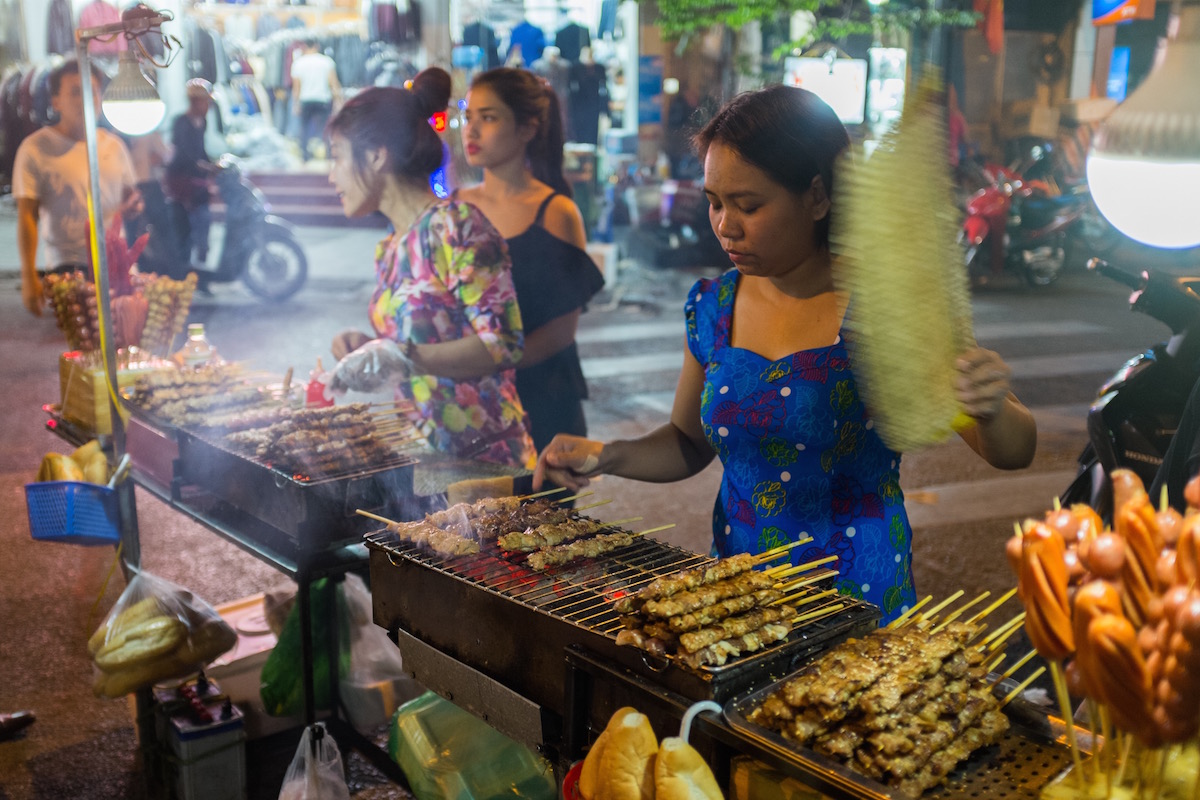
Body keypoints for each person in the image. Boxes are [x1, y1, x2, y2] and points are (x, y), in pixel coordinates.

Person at [533, 85, 1037, 624]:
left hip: (857, 604)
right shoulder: (713, 306)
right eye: (714, 203)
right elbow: (686, 443)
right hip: (741, 602)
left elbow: (1011, 449)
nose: (726, 225)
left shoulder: (885, 306)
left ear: (817, 197)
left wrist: (990, 406)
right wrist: (606, 455)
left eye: (749, 205)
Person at [324, 69, 537, 470]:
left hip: (485, 461)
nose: (331, 174)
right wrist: (370, 347)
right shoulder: (390, 246)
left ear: (376, 154)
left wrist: (400, 356)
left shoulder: (456, 226)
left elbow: (504, 344)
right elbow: (419, 345)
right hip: (423, 457)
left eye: (336, 156)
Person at [457, 67, 605, 453]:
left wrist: (487, 363)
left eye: (487, 118)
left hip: (542, 400)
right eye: (467, 116)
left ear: (527, 128)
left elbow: (560, 331)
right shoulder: (455, 208)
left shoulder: (556, 212)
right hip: (466, 406)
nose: (470, 131)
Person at [13, 59, 140, 316]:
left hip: (118, 261)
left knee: (127, 339)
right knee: (83, 344)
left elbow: (130, 197)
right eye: (75, 91)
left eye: (92, 90)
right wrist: (29, 276)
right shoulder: (36, 148)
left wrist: (134, 206)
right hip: (68, 263)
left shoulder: (114, 145)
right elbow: (27, 216)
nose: (86, 98)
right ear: (55, 101)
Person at [164, 79, 216, 270]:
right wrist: (203, 166)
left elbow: (201, 150)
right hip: (182, 183)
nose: (208, 106)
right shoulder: (181, 122)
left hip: (198, 184)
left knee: (204, 227)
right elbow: (184, 153)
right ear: (195, 101)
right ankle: (186, 271)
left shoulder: (203, 122)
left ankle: (201, 268)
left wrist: (212, 164)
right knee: (187, 231)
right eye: (205, 102)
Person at [290, 38, 343, 162]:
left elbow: (296, 88)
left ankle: (305, 156)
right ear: (317, 46)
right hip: (323, 100)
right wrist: (338, 101)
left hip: (306, 100)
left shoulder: (298, 63)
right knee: (325, 129)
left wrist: (295, 104)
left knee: (304, 129)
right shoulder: (326, 62)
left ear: (304, 46)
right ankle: (328, 155)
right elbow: (334, 84)